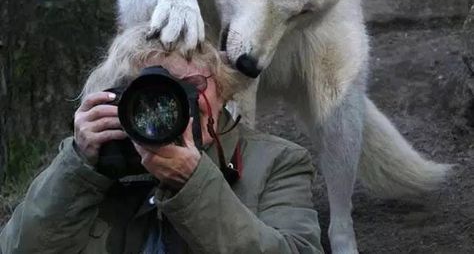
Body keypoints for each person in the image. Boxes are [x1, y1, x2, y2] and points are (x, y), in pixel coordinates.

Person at [0, 24, 324, 253]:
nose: (176, 104)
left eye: (191, 86)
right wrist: (79, 169)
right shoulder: (94, 163)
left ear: (223, 91)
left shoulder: (277, 163)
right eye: (150, 93)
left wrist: (193, 183)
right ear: (117, 100)